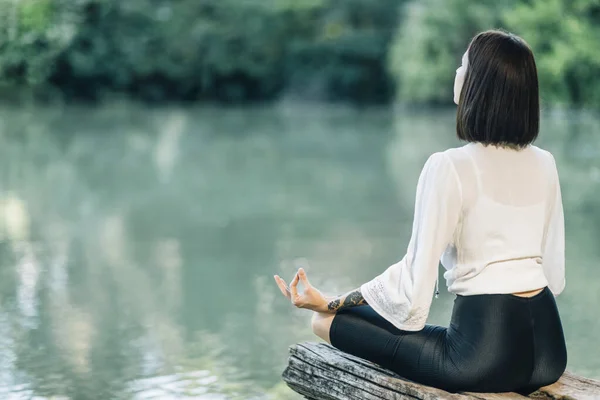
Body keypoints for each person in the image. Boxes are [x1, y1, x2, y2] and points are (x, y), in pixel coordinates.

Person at [273, 29, 568, 395]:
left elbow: (413, 286)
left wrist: (331, 303)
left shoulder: (450, 166)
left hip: (483, 355)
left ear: (478, 86)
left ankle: (326, 307)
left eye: (463, 67)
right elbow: (552, 270)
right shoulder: (545, 163)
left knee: (323, 322)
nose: (457, 74)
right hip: (551, 350)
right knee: (346, 314)